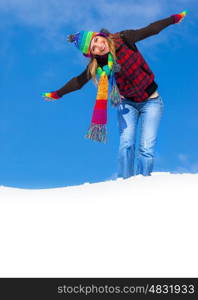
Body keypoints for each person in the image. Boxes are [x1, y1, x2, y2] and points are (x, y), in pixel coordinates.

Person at [43, 11, 187, 179]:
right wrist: (57, 94)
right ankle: (125, 186)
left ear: (100, 35)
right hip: (127, 105)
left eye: (96, 40)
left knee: (146, 148)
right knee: (126, 145)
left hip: (151, 101)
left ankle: (144, 184)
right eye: (93, 48)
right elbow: (79, 81)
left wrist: (172, 19)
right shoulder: (98, 65)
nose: (99, 46)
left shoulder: (125, 38)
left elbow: (150, 30)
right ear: (92, 54)